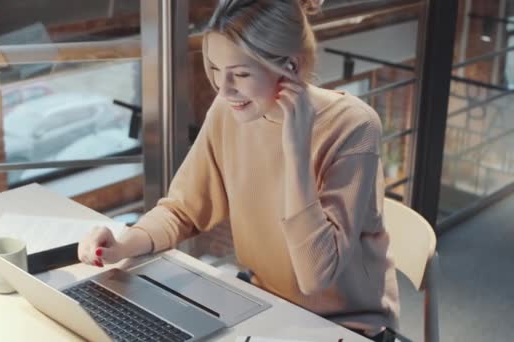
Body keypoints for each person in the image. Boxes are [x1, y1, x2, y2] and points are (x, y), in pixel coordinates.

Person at [78, 0, 400, 340]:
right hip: (265, 306)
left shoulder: (353, 127)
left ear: (292, 66)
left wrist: (295, 149)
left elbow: (315, 276)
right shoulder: (228, 111)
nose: (223, 87)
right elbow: (182, 209)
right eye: (215, 68)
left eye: (241, 73)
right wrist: (123, 245)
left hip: (349, 327)